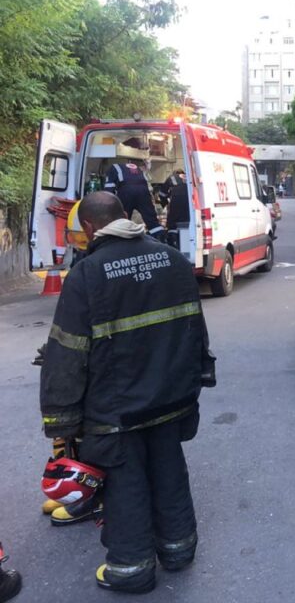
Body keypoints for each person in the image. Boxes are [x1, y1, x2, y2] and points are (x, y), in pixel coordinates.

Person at [39, 191, 216, 594]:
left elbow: (67, 351)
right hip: (172, 399)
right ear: (126, 216)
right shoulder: (172, 260)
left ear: (88, 228)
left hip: (115, 410)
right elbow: (194, 329)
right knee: (170, 470)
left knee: (124, 483)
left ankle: (131, 567)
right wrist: (198, 378)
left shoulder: (88, 274)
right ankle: (177, 550)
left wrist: (60, 419)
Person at [103, 160, 165, 242]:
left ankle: (121, 243)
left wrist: (107, 205)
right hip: (143, 192)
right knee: (152, 220)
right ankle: (161, 240)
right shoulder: (138, 170)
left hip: (126, 192)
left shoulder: (112, 169)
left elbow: (109, 189)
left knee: (123, 220)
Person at [157, 169, 190, 234]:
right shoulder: (189, 177)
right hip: (189, 206)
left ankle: (173, 240)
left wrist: (166, 204)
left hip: (176, 205)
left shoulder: (171, 177)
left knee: (172, 225)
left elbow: (161, 194)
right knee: (185, 225)